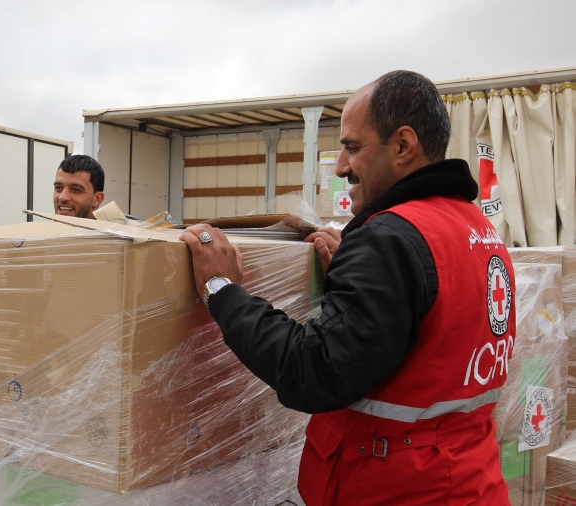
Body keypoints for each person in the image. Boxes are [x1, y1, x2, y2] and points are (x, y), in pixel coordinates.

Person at [180, 71, 516, 505]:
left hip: (398, 489)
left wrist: (222, 288)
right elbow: (430, 333)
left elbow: (316, 371)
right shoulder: (473, 228)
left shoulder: (391, 239)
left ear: (402, 145)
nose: (340, 166)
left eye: (352, 147)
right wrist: (361, 279)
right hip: (466, 479)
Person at [53, 154, 104, 218]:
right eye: (58, 188)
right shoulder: (43, 227)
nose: (62, 197)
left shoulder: (114, 227)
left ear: (97, 199)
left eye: (75, 189)